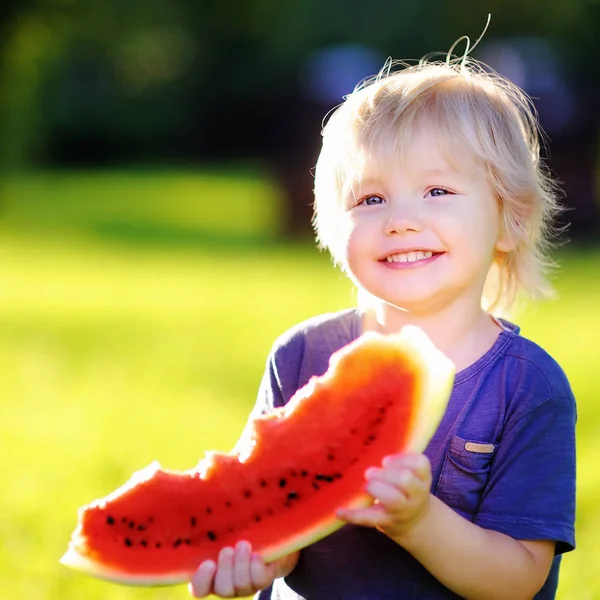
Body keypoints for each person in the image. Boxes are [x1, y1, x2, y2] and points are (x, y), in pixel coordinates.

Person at [188, 46, 577, 600]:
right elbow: (267, 511)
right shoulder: (302, 355)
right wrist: (249, 558)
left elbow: (518, 579)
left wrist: (419, 522)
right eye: (370, 197)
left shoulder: (527, 386)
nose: (400, 220)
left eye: (438, 191)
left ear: (509, 221)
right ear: (331, 227)